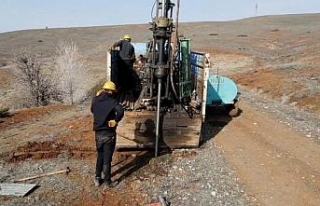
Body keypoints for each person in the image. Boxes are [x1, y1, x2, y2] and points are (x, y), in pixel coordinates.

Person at [91, 81, 124, 189]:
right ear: (111, 91)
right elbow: (120, 111)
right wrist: (115, 120)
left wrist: (97, 99)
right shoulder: (112, 101)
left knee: (100, 155)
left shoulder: (95, 100)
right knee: (107, 158)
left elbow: (92, 110)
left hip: (98, 134)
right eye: (113, 91)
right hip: (109, 134)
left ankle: (97, 178)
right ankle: (107, 182)